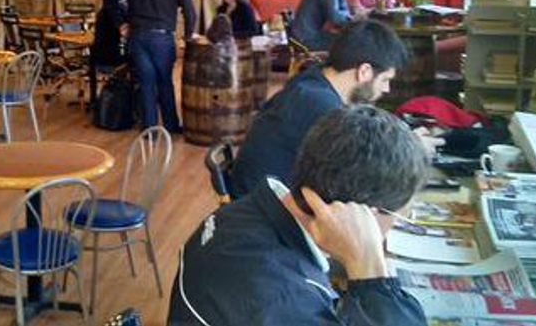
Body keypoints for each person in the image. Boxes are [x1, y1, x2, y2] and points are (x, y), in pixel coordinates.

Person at [168, 106, 429, 326]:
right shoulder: (287, 301)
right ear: (362, 215)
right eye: (399, 217)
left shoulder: (249, 209)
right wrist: (373, 277)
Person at [231, 20, 409, 196]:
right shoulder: (321, 105)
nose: (386, 89)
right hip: (266, 208)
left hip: (259, 197)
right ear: (364, 71)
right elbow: (359, 172)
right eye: (385, 80)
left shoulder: (313, 80)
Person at [106, 0, 196, 134]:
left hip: (138, 36)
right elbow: (190, 11)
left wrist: (121, 23)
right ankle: (171, 126)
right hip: (162, 37)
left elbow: (110, 0)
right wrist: (188, 36)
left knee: (146, 83)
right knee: (164, 81)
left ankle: (150, 130)